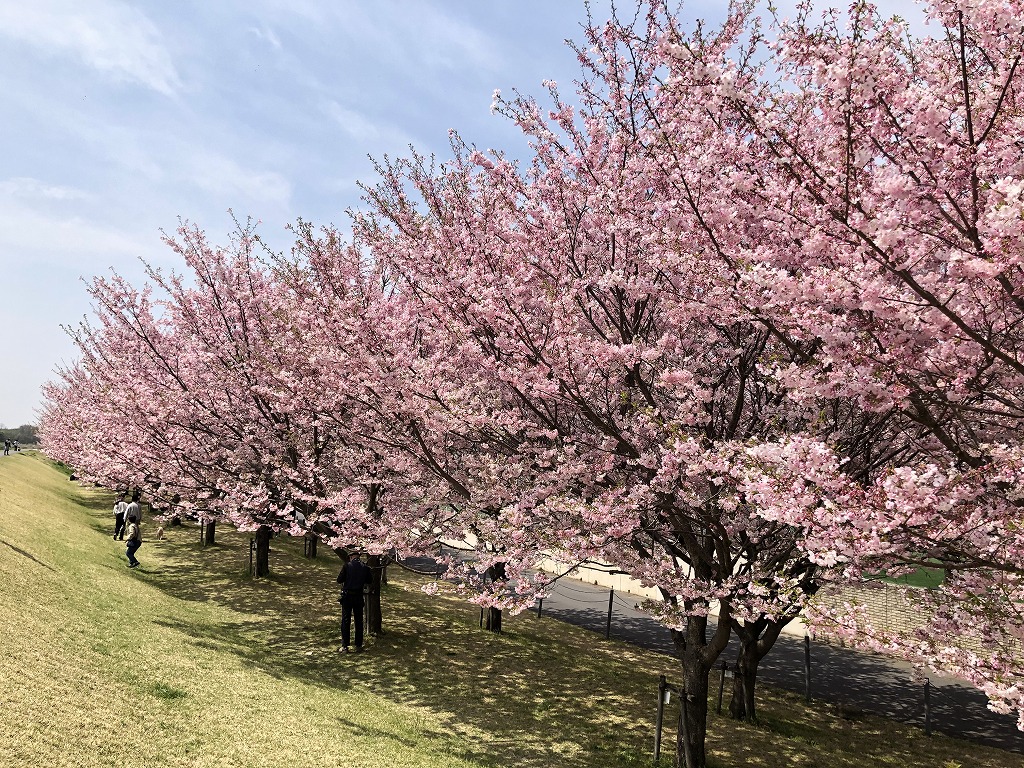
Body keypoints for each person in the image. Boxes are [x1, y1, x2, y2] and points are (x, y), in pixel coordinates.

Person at [337, 551, 372, 653]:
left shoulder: (347, 566)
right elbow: (370, 580)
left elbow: (339, 580)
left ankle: (345, 646)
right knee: (359, 620)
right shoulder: (365, 567)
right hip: (358, 596)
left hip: (347, 596)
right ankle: (358, 645)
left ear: (351, 557)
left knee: (346, 620)